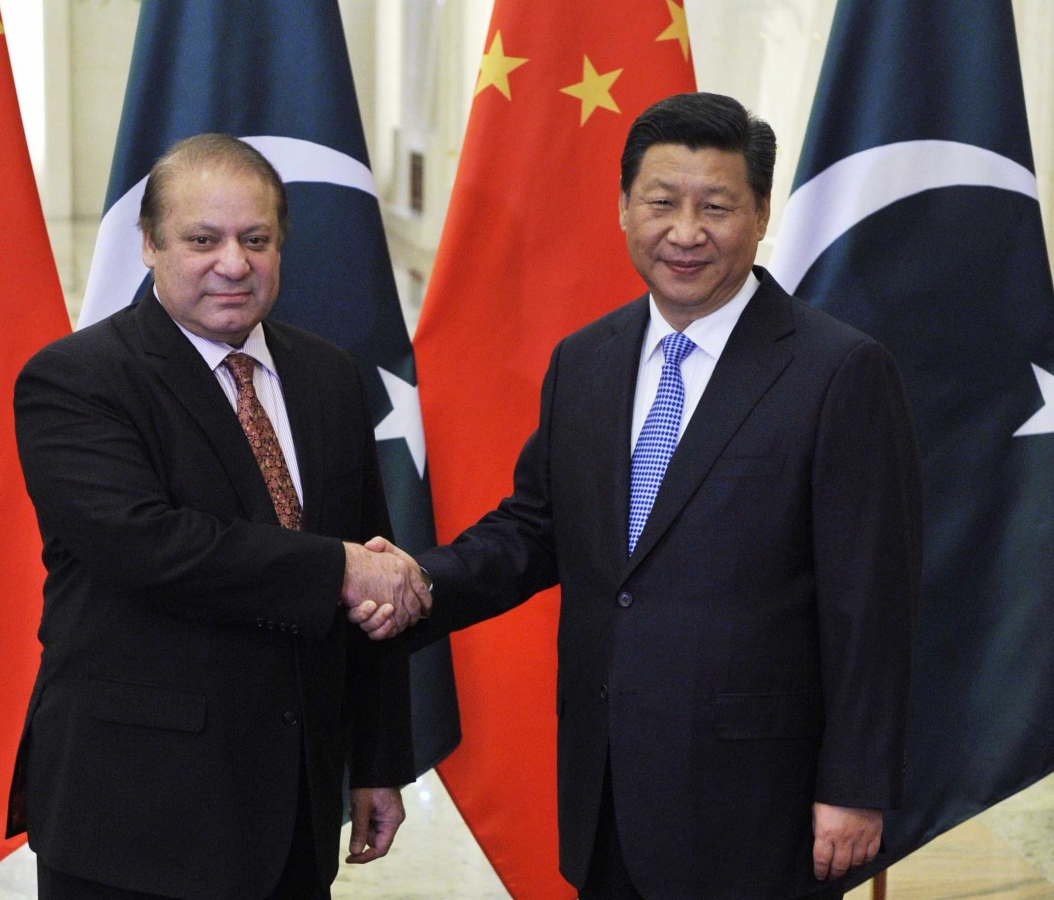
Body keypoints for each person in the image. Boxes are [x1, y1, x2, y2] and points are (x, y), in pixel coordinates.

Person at [369, 92, 923, 899]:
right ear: (625, 207)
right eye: (662, 202)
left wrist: (856, 787)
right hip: (608, 792)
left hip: (759, 808)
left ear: (761, 213)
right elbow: (536, 529)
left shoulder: (839, 372)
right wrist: (418, 583)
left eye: (716, 207)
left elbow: (872, 602)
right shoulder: (586, 359)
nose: (686, 232)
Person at [6, 133, 430, 900]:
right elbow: (148, 546)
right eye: (203, 240)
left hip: (293, 815)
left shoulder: (328, 376)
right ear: (149, 245)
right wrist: (339, 569)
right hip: (132, 820)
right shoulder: (75, 380)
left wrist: (376, 762)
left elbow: (371, 569)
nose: (233, 264)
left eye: (255, 239)